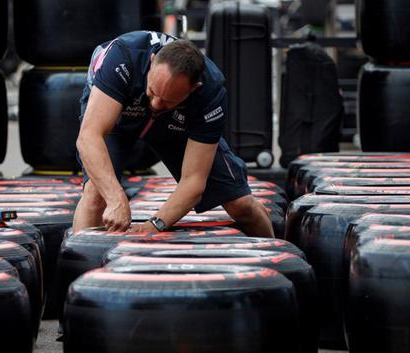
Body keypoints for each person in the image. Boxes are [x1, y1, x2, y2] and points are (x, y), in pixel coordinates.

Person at [74, 31, 274, 237]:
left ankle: (277, 256)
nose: (155, 104)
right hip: (116, 112)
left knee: (241, 204)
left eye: (167, 99)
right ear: (152, 62)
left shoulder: (210, 92)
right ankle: (77, 265)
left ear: (194, 88)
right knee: (97, 195)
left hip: (177, 124)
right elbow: (88, 137)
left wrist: (155, 225)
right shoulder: (122, 60)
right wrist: (116, 198)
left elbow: (194, 182)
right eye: (152, 92)